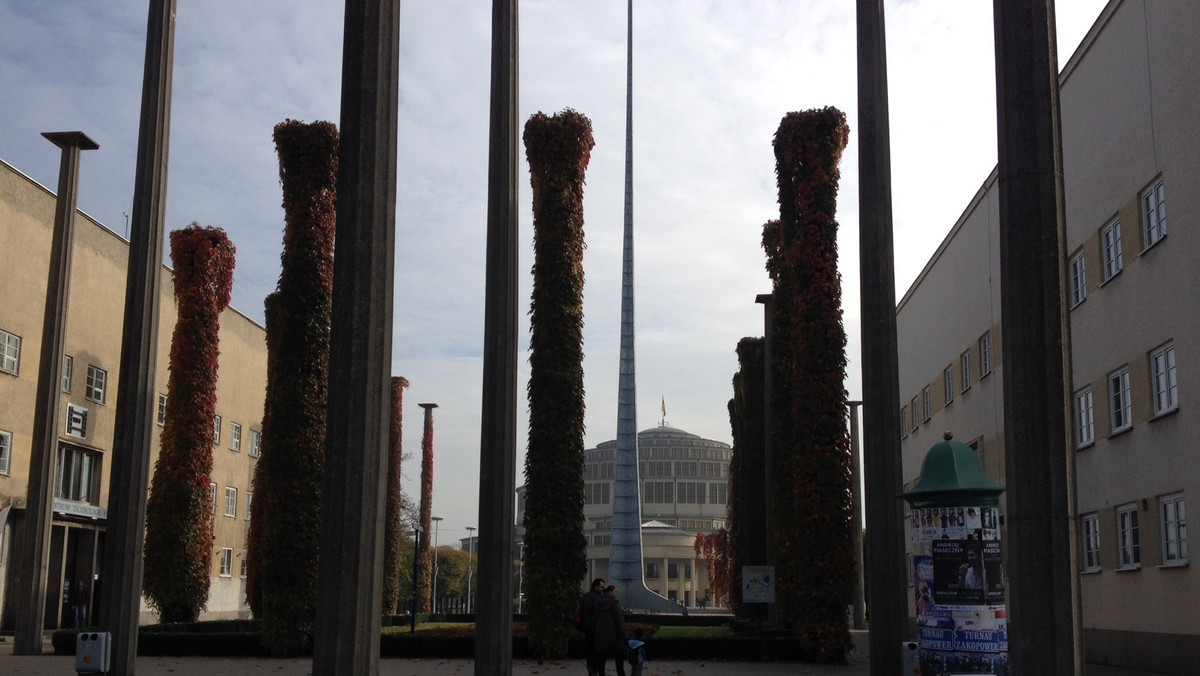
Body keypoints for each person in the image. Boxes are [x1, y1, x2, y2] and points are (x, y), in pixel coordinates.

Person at [593, 585, 627, 676]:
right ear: (610, 592)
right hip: (614, 637)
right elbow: (620, 621)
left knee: (601, 663)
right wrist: (624, 637)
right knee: (619, 664)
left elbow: (594, 619)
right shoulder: (614, 604)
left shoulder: (597, 604)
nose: (617, 593)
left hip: (600, 636)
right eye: (615, 591)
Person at [579, 578, 606, 676]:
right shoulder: (598, 599)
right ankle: (595, 672)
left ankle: (591, 671)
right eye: (602, 587)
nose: (603, 589)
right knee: (597, 654)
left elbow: (580, 613)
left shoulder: (585, 596)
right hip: (595, 630)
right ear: (596, 587)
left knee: (590, 653)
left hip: (586, 629)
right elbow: (597, 616)